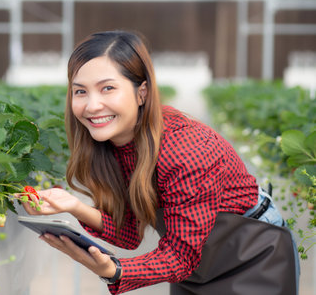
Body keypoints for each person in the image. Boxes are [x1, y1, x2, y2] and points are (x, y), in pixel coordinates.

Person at [19, 30, 300, 295]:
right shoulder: (111, 144)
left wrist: (115, 270)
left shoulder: (184, 150)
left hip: (252, 252)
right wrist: (74, 206)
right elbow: (130, 233)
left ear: (142, 92)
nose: (92, 105)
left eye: (107, 88)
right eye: (80, 91)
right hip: (198, 263)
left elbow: (181, 257)